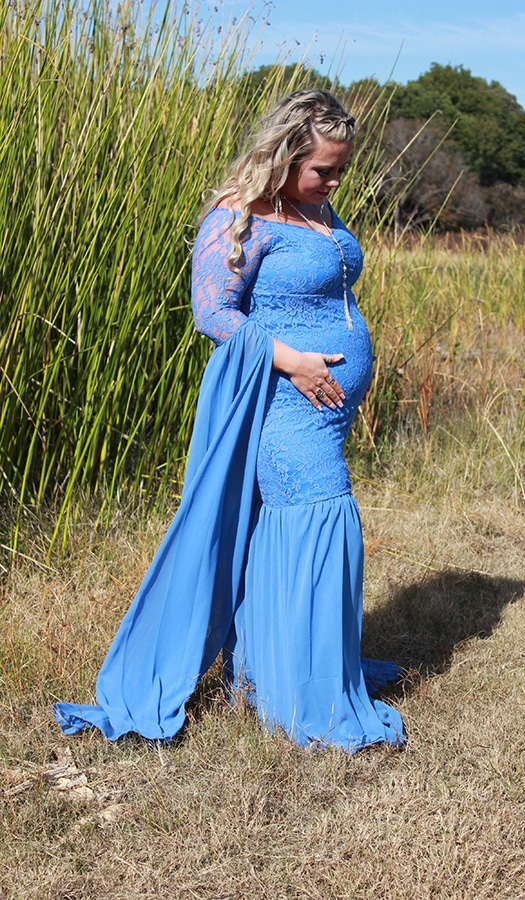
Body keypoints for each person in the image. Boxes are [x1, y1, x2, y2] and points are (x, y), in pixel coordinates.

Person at [54, 89, 405, 751]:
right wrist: (296, 362)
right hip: (281, 404)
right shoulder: (237, 215)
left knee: (286, 538)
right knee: (326, 523)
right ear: (283, 155)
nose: (334, 182)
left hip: (327, 411)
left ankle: (271, 682)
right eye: (322, 170)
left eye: (340, 171)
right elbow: (213, 316)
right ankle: (312, 700)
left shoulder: (315, 209)